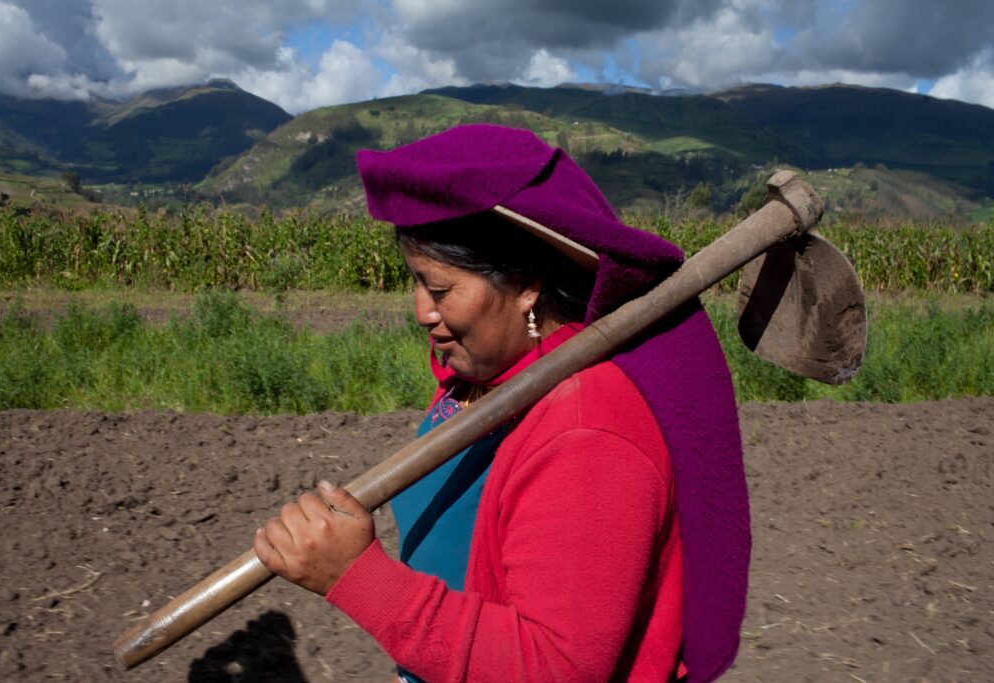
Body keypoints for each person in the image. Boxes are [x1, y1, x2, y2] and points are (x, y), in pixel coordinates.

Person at [253, 124, 750, 683]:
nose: (421, 310)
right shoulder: (483, 374)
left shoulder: (587, 434)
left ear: (527, 287)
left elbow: (555, 667)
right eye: (414, 282)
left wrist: (359, 577)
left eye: (440, 290)